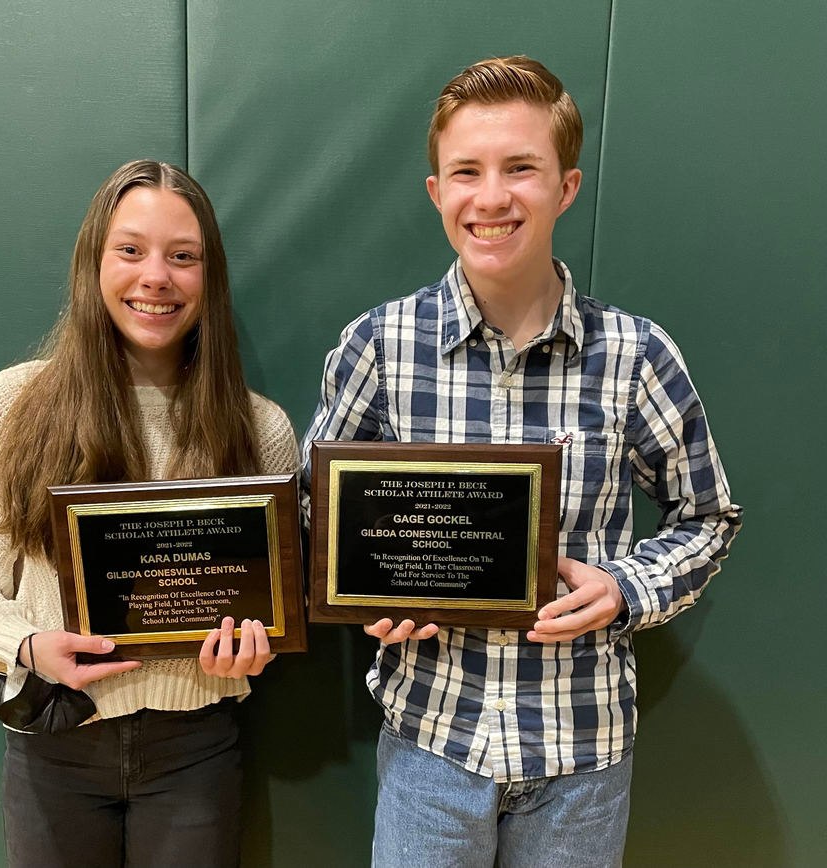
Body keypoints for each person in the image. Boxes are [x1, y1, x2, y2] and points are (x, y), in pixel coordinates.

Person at [301, 56, 742, 867]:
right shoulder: (379, 347)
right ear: (437, 192)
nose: (492, 196)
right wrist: (365, 593)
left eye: (521, 169)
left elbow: (707, 517)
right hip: (432, 741)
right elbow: (314, 514)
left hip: (583, 750)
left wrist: (625, 589)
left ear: (566, 187)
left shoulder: (636, 355)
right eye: (466, 171)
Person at [0, 160, 298, 867]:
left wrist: (259, 645)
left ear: (208, 278)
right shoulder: (10, 407)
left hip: (195, 750)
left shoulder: (258, 429)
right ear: (93, 263)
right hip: (54, 744)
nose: (156, 276)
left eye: (183, 257)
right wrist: (25, 644)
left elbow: (278, 600)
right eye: (130, 250)